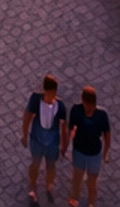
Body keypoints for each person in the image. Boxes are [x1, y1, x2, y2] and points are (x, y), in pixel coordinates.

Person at [23, 76, 68, 205]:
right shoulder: (36, 100)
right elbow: (27, 117)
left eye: (53, 94)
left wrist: (64, 145)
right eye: (49, 95)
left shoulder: (60, 106)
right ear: (44, 91)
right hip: (37, 138)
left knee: (51, 166)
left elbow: (64, 126)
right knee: (35, 163)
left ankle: (48, 185)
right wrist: (25, 135)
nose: (50, 98)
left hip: (52, 141)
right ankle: (32, 185)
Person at [67, 89, 111, 204]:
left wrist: (106, 152)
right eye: (87, 106)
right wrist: (66, 144)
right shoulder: (76, 110)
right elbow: (70, 129)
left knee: (92, 185)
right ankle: (73, 202)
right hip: (79, 152)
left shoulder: (102, 115)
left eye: (92, 106)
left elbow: (107, 134)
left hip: (94, 154)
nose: (89, 109)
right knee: (77, 181)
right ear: (83, 102)